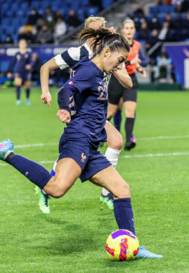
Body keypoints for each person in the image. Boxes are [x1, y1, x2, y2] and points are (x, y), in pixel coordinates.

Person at [0, 28, 162, 259]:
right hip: (78, 139)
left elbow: (124, 83)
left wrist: (118, 69)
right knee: (56, 189)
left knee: (122, 189)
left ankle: (133, 245)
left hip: (90, 145)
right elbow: (66, 90)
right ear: (105, 52)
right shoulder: (88, 70)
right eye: (119, 60)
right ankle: (6, 153)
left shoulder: (102, 71)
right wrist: (65, 108)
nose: (120, 65)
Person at [39, 16, 132, 213]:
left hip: (96, 109)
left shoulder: (109, 55)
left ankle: (107, 191)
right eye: (94, 31)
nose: (96, 36)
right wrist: (45, 91)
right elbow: (46, 67)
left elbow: (129, 83)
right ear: (88, 33)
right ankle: (48, 185)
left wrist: (115, 65)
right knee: (82, 149)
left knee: (114, 142)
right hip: (80, 110)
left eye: (101, 31)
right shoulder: (77, 53)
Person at [106, 19, 147, 151]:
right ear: (122, 30)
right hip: (117, 79)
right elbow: (114, 64)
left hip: (131, 80)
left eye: (131, 28)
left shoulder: (137, 45)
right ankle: (97, 136)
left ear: (134, 30)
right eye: (127, 28)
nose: (129, 30)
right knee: (110, 113)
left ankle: (129, 140)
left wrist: (139, 67)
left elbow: (142, 61)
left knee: (130, 111)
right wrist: (131, 63)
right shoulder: (117, 45)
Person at [7, 39, 32, 105]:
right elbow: (12, 63)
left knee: (27, 86)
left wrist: (29, 65)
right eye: (21, 44)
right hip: (18, 71)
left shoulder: (28, 53)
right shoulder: (17, 54)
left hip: (26, 72)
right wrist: (10, 71)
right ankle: (18, 100)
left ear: (26, 44)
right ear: (19, 45)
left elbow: (31, 62)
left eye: (24, 43)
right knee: (18, 84)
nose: (23, 45)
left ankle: (27, 99)